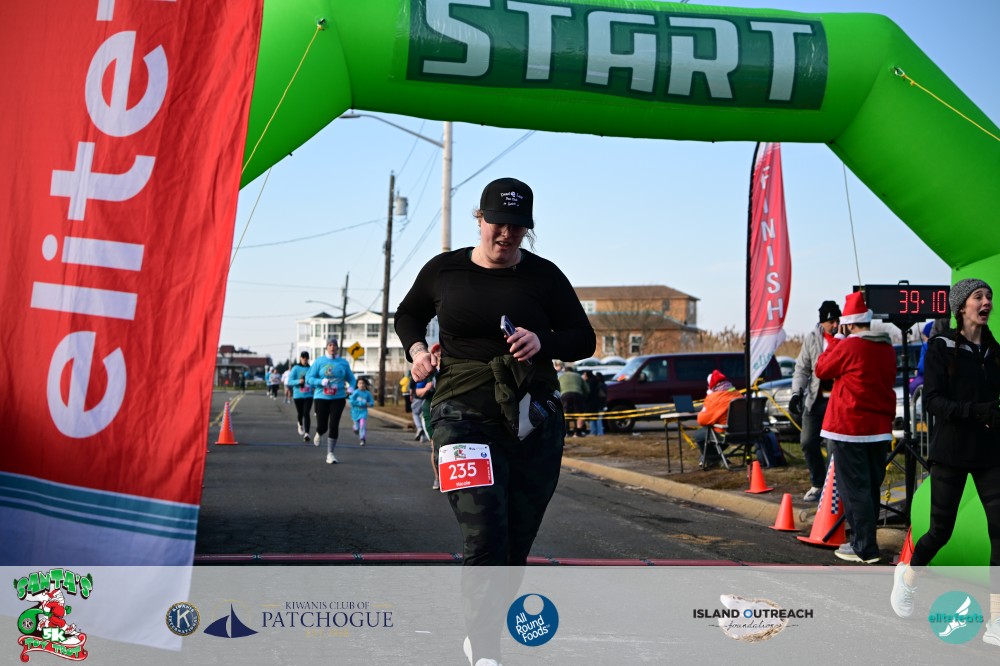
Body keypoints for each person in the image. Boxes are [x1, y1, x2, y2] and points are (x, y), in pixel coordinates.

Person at [394, 176, 595, 666]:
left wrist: (542, 341)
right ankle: (486, 649)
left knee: (515, 540)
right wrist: (418, 352)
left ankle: (482, 631)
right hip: (460, 414)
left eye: (517, 227)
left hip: (533, 418)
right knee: (484, 533)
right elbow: (408, 315)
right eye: (498, 225)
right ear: (479, 220)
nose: (506, 235)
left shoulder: (545, 276)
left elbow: (583, 339)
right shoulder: (444, 270)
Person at [890, 278, 1000, 646]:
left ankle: (997, 619)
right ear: (961, 306)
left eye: (989, 297)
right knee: (940, 531)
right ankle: (908, 576)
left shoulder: (994, 351)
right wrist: (976, 411)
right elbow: (933, 401)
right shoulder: (941, 346)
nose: (986, 302)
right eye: (978, 297)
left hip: (989, 452)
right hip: (951, 450)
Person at [815, 291, 896, 564]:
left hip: (849, 427)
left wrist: (836, 340)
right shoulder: (886, 348)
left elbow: (822, 369)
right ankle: (866, 542)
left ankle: (864, 547)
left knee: (854, 490)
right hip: (879, 429)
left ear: (848, 324)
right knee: (870, 488)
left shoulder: (849, 346)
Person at [789, 300, 841, 502]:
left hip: (837, 402)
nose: (835, 325)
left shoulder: (845, 339)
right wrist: (796, 393)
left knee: (833, 446)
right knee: (807, 442)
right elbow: (802, 368)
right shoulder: (812, 339)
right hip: (815, 400)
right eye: (831, 321)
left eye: (837, 320)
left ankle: (833, 489)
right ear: (822, 322)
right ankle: (818, 484)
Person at [306, 337, 356, 464]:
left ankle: (330, 453)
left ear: (337, 347)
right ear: (326, 347)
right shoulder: (319, 361)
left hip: (338, 398)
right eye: (330, 345)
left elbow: (351, 379)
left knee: (334, 425)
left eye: (334, 345)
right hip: (321, 397)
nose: (332, 347)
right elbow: (308, 378)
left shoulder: (343, 362)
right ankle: (319, 432)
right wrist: (320, 381)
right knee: (322, 426)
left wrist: (351, 387)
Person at [693, 370, 741, 468]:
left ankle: (713, 459)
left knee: (699, 435)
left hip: (726, 433)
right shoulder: (737, 394)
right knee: (713, 434)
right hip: (744, 433)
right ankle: (715, 458)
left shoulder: (714, 397)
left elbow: (702, 420)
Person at [288, 351, 313, 442]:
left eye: (306, 359)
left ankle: (307, 434)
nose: (305, 360)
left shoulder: (311, 369)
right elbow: (290, 381)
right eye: (303, 358)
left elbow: (313, 379)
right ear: (300, 358)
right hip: (298, 395)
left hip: (309, 395)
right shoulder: (295, 368)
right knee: (300, 413)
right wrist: (299, 381)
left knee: (306, 413)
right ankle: (300, 423)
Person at [558, 364, 589, 437]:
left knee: (565, 414)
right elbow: (587, 390)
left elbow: (556, 388)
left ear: (565, 371)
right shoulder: (578, 376)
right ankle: (578, 432)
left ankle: (566, 432)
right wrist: (584, 396)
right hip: (577, 394)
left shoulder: (560, 377)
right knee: (579, 414)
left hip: (564, 395)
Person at [349, 377, 374, 447]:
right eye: (360, 383)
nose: (362, 385)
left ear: (365, 384)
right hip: (355, 412)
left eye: (363, 383)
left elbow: (371, 402)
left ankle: (362, 439)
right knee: (357, 427)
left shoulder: (367, 393)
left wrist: (369, 404)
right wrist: (361, 403)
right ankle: (355, 429)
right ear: (357, 385)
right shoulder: (356, 392)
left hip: (363, 412)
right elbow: (351, 401)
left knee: (362, 425)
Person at [583, 369, 608, 436]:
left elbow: (588, 393)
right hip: (600, 403)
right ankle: (599, 432)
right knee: (598, 418)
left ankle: (595, 432)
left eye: (584, 375)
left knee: (594, 418)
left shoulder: (590, 383)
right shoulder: (599, 382)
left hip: (593, 404)